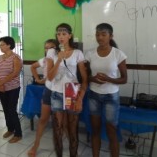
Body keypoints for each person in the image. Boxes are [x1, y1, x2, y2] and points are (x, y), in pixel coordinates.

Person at [85, 23, 127, 157]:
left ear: (111, 36)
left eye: (103, 34)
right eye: (97, 34)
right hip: (93, 95)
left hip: (111, 97)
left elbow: (124, 79)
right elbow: (85, 76)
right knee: (95, 130)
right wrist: (93, 79)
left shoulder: (118, 54)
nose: (100, 37)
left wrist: (109, 79)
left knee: (111, 131)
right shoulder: (90, 53)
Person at [46, 23, 88, 157]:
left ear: (70, 35)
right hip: (57, 93)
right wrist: (59, 60)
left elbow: (85, 78)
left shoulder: (78, 53)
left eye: (64, 34)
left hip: (72, 92)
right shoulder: (52, 52)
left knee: (72, 129)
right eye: (58, 34)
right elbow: (50, 77)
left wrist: (80, 98)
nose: (61, 37)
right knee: (57, 130)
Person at [27, 39, 56, 156]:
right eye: (46, 47)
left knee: (61, 122)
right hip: (48, 91)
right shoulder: (44, 60)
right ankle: (35, 145)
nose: (48, 50)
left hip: (61, 92)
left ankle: (64, 144)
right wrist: (39, 80)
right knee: (43, 119)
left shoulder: (60, 58)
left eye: (51, 47)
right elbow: (32, 67)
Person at [0, 36, 23, 143]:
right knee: (5, 110)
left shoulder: (16, 57)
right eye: (0, 44)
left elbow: (15, 73)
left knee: (11, 110)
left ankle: (18, 133)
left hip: (13, 88)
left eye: (2, 44)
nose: (0, 46)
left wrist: (2, 82)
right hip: (2, 88)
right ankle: (10, 129)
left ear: (9, 45)